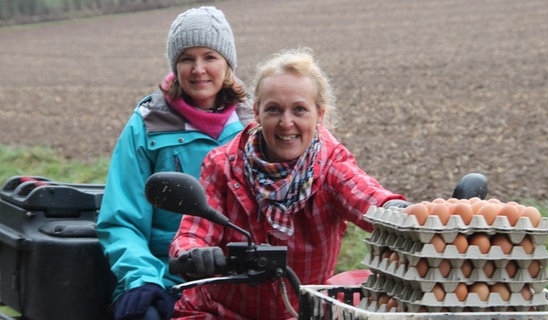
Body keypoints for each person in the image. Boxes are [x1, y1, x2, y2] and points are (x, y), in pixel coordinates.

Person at [169, 48, 408, 319]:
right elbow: (193, 232)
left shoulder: (331, 166)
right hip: (221, 311)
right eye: (274, 110)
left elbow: (370, 199)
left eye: (299, 110)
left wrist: (404, 213)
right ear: (257, 112)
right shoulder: (222, 165)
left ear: (319, 115)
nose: (286, 123)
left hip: (299, 312)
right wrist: (194, 254)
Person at [96, 6, 253, 320]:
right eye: (186, 59)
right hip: (166, 275)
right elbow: (121, 220)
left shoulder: (254, 124)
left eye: (209, 56)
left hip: (241, 277)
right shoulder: (148, 124)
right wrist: (143, 279)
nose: (198, 69)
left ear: (227, 63)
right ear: (175, 65)